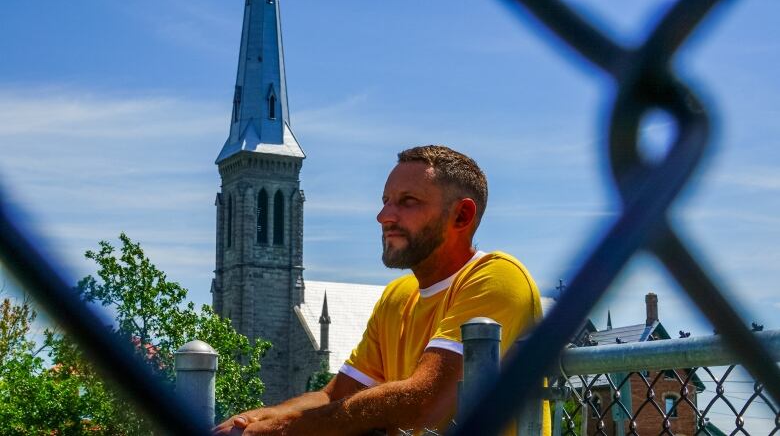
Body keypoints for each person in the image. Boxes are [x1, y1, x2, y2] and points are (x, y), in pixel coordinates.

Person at [213, 145, 547, 435]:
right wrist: (251, 421)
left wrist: (279, 431)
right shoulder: (398, 296)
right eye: (386, 201)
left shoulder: (498, 277)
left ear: (462, 215)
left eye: (408, 201)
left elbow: (423, 402)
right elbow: (334, 395)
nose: (383, 216)